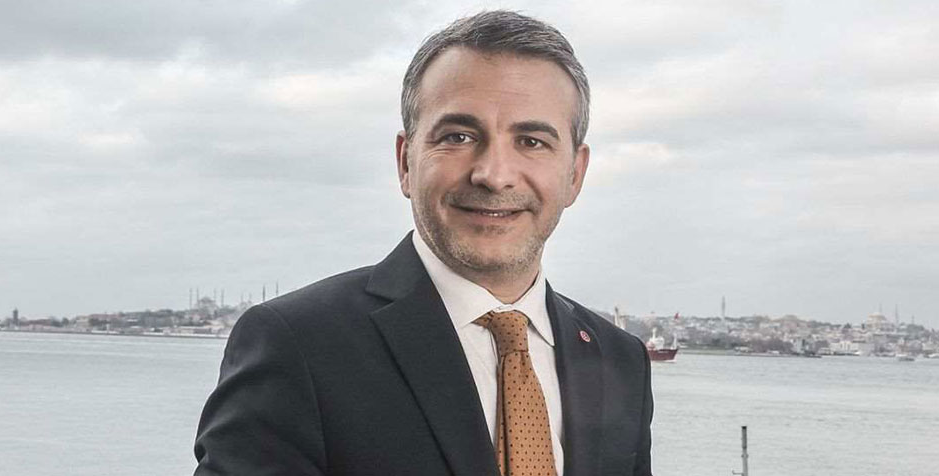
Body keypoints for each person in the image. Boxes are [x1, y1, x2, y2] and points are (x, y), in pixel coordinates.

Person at [194, 10, 652, 476]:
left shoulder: (620, 359)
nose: (493, 175)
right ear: (405, 162)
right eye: (459, 136)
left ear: (575, 174)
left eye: (531, 141)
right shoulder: (298, 345)